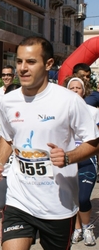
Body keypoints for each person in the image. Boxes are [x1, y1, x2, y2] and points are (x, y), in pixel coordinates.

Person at [0, 36, 99, 250]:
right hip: (19, 199)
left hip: (57, 205)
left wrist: (68, 157)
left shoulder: (69, 101)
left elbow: (94, 142)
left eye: (30, 62)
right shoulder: (8, 101)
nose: (22, 68)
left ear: (48, 64)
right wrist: (0, 164)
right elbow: (8, 137)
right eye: (19, 61)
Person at [64, 75, 98, 246]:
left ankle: (87, 227)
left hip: (87, 160)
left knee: (83, 198)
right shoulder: (61, 111)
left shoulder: (93, 112)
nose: (75, 91)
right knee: (72, 198)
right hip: (67, 160)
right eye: (72, 88)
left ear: (84, 92)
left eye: (78, 88)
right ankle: (77, 228)